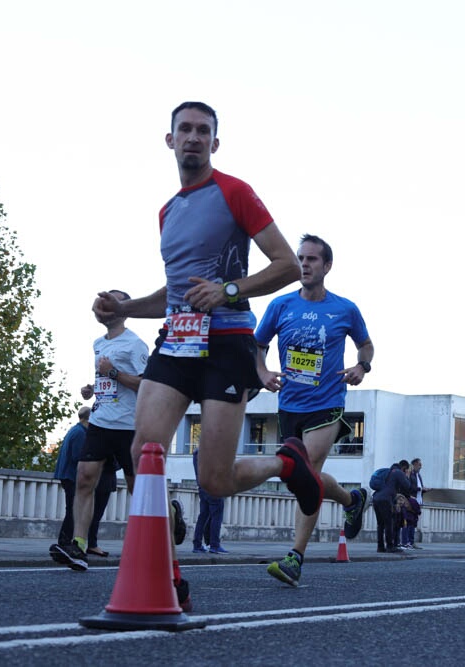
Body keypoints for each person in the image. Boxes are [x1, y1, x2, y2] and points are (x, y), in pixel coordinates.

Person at [91, 102, 323, 601]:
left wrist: (230, 291)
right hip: (176, 341)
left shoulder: (235, 192)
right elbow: (173, 296)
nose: (193, 137)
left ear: (214, 143)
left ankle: (287, 463)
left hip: (227, 345)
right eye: (185, 130)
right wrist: (124, 305)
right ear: (170, 140)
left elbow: (285, 265)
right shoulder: (167, 211)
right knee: (144, 453)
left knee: (214, 480)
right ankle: (168, 573)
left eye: (203, 131)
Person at [254, 233, 373, 586]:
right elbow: (257, 345)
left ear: (327, 266)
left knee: (306, 469)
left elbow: (365, 345)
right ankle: (351, 499)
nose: (304, 265)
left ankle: (295, 556)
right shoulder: (280, 305)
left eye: (311, 260)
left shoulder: (344, 309)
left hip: (328, 403)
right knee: (299, 477)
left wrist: (360, 367)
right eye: (301, 259)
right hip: (289, 403)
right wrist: (262, 373)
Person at [51, 290, 149, 571]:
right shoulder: (97, 343)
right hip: (100, 421)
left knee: (137, 489)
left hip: (129, 426)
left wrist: (113, 374)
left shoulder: (136, 345)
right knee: (84, 479)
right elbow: (110, 382)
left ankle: (152, 539)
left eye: (113, 301)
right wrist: (93, 389)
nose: (105, 306)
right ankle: (78, 544)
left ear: (124, 310)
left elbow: (145, 384)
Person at [52, 406, 116, 557]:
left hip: (68, 475)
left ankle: (66, 542)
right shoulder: (81, 433)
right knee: (75, 511)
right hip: (72, 477)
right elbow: (80, 457)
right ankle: (66, 542)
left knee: (73, 510)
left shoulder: (76, 430)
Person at [191, 446, 226, 553]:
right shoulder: (212, 452)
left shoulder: (196, 453)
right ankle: (214, 545)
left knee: (203, 516)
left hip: (202, 487)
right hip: (214, 487)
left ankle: (197, 545)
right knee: (217, 516)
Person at [372, 461, 410, 553]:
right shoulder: (398, 472)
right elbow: (407, 485)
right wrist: (407, 476)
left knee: (380, 524)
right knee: (389, 523)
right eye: (405, 470)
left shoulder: (387, 473)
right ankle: (390, 546)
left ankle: (380, 547)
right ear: (403, 468)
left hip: (376, 498)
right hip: (386, 499)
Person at [409, 457, 428, 548]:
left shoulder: (418, 475)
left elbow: (419, 487)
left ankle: (411, 541)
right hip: (412, 500)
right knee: (411, 521)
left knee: (414, 521)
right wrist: (421, 489)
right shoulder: (410, 474)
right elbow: (410, 487)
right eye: (419, 464)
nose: (421, 467)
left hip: (418, 500)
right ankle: (410, 542)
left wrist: (425, 490)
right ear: (414, 464)